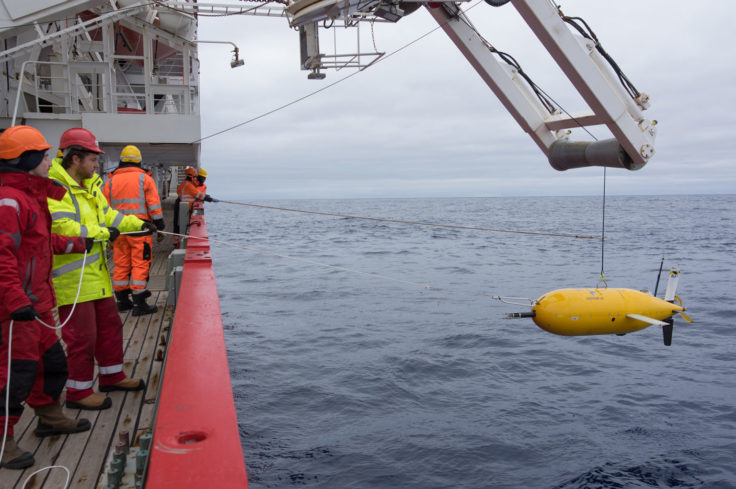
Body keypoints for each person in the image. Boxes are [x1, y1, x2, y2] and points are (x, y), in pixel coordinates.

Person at [0, 126, 91, 470]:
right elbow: (2, 255)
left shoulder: (31, 196)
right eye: (44, 155)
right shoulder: (9, 200)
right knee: (14, 374)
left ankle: (50, 416)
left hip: (36, 303)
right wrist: (14, 300)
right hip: (16, 308)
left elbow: (38, 244)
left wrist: (77, 244)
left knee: (51, 363)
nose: (50, 161)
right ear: (27, 160)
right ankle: (3, 442)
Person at [48, 127, 152, 411]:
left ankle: (111, 376)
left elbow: (111, 215)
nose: (97, 166)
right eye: (93, 160)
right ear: (75, 159)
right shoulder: (56, 188)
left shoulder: (91, 186)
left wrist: (138, 224)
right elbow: (63, 228)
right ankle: (78, 393)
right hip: (72, 278)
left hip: (96, 276)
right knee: (82, 338)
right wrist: (105, 233)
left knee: (109, 327)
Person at [102, 145, 164, 315]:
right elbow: (154, 205)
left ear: (121, 161)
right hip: (140, 229)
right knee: (139, 264)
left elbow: (104, 208)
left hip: (118, 231)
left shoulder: (110, 181)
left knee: (121, 264)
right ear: (139, 161)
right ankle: (139, 303)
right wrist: (160, 224)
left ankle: (122, 301)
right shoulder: (145, 179)